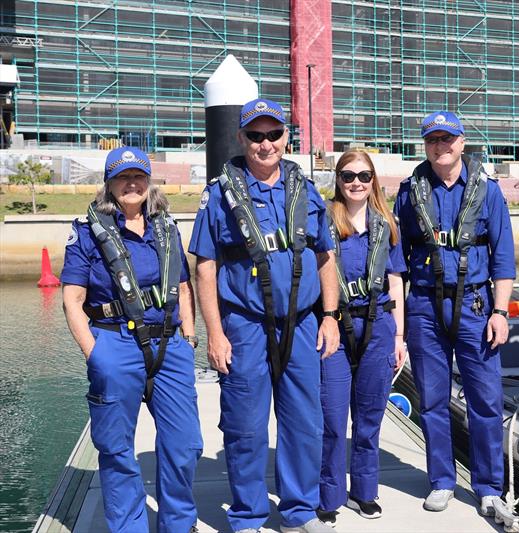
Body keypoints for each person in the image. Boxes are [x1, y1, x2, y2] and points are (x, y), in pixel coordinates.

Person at [189, 98, 339, 533]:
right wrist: (214, 333)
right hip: (245, 325)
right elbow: (204, 266)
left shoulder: (305, 190)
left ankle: (299, 512)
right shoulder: (219, 195)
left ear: (285, 138)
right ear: (241, 139)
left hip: (302, 322)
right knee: (246, 425)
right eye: (255, 135)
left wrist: (329, 316)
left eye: (273, 134)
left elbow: (326, 256)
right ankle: (248, 515)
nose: (265, 143)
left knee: (304, 422)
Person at [62, 147, 202, 533]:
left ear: (148, 181)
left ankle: (178, 522)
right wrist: (96, 355)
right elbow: (71, 300)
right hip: (114, 344)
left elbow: (184, 286)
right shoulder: (88, 233)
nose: (132, 184)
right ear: (109, 184)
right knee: (117, 448)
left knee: (185, 444)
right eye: (123, 178)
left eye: (138, 176)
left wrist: (189, 337)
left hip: (170, 346)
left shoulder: (165, 226)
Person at [393, 111, 516, 516]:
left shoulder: (488, 191)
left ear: (462, 143)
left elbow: (504, 257)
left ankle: (487, 487)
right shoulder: (411, 192)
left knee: (485, 400)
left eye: (447, 139)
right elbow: (399, 258)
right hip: (425, 306)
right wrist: (400, 323)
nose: (440, 146)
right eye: (432, 140)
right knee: (431, 400)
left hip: (477, 307)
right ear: (425, 146)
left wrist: (500, 311)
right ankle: (442, 481)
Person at [317, 150, 406, 526]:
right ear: (338, 179)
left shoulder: (387, 224)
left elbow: (396, 280)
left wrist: (400, 335)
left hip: (379, 328)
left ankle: (365, 492)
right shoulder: (323, 222)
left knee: (369, 420)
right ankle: (329, 494)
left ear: (374, 181)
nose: (356, 182)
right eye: (349, 175)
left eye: (364, 176)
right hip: (336, 328)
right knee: (333, 419)